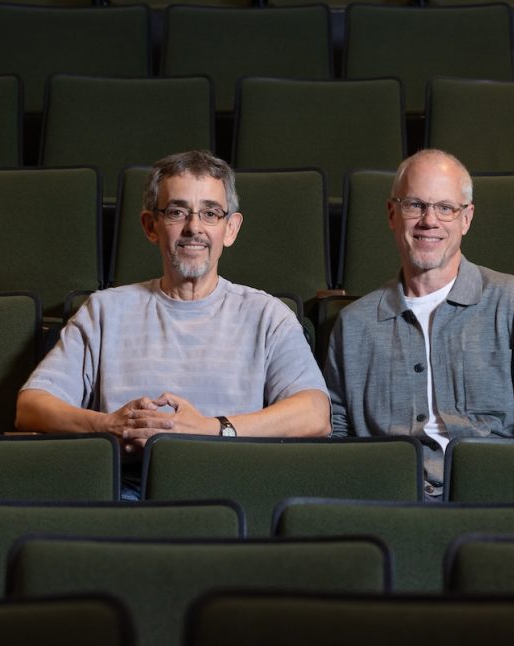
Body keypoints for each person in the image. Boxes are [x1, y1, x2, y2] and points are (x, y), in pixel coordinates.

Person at [17, 150, 330, 496]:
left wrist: (212, 429)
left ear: (230, 229)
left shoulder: (268, 315)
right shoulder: (104, 311)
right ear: (151, 227)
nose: (194, 228)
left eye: (210, 213)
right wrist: (107, 426)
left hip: (236, 492)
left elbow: (315, 414)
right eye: (177, 212)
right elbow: (31, 405)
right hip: (124, 492)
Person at [325, 149, 514, 497]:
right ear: (392, 214)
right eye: (415, 205)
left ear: (466, 218)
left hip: (495, 495)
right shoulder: (353, 326)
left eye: (445, 208)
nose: (429, 221)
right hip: (390, 502)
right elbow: (336, 433)